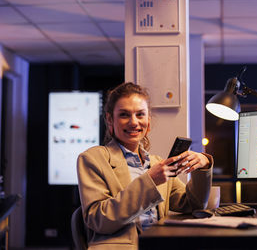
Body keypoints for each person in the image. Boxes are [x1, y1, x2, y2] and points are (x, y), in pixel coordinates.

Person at [77, 82, 213, 249]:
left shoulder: (156, 163)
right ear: (110, 119)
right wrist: (149, 181)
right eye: (124, 115)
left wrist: (203, 165)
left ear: (148, 120)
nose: (134, 122)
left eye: (140, 115)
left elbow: (193, 205)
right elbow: (99, 220)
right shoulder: (92, 158)